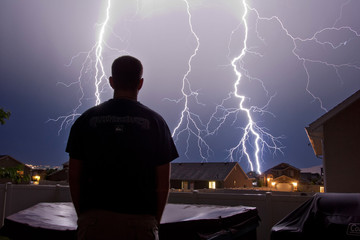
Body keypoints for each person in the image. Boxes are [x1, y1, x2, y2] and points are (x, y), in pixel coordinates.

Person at [67, 55, 179, 240]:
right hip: (141, 224)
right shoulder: (156, 123)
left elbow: (74, 177)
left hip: (94, 222)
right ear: (140, 83)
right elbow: (162, 184)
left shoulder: (85, 120)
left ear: (111, 82)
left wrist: (86, 218)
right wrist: (153, 222)